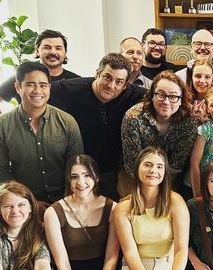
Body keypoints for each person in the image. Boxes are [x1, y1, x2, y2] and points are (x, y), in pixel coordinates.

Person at [49, 53, 145, 200]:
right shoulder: (69, 89)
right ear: (97, 74)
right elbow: (39, 91)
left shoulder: (133, 94)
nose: (111, 85)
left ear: (126, 85)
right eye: (107, 77)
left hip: (110, 171)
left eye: (119, 82)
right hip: (77, 170)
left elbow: (161, 96)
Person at [0, 62, 83, 203]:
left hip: (65, 200)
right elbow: (0, 172)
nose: (37, 91)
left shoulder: (67, 121)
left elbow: (76, 165)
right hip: (23, 203)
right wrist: (28, 202)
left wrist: (64, 204)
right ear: (18, 87)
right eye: (30, 85)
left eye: (43, 85)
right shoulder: (0, 126)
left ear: (49, 88)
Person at [121, 71, 197, 198]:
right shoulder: (133, 117)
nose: (166, 102)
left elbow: (176, 164)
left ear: (181, 99)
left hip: (169, 179)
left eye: (173, 97)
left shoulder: (188, 121)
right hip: (135, 177)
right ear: (152, 96)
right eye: (161, 95)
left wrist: (160, 193)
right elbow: (132, 163)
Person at [0, 29, 79, 119]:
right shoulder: (22, 77)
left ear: (65, 53)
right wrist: (3, 128)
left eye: (58, 48)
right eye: (47, 47)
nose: (53, 52)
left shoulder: (76, 82)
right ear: (37, 51)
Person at [186, 59, 213, 123]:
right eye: (198, 76)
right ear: (191, 78)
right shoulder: (184, 102)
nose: (202, 81)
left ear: (212, 80)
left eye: (207, 77)